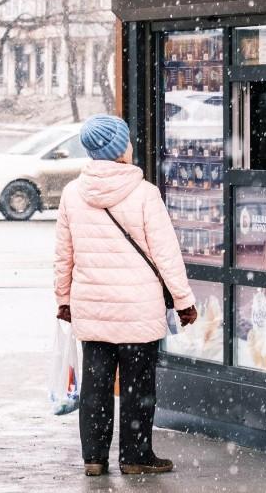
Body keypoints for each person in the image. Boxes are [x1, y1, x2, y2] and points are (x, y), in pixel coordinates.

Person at [53, 114, 198, 477]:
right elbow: (166, 254)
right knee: (137, 385)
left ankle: (94, 458)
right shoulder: (145, 194)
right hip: (138, 310)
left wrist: (63, 299)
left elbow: (63, 255)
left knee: (96, 387)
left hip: (92, 308)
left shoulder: (73, 194)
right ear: (119, 150)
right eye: (127, 141)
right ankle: (135, 456)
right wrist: (184, 301)